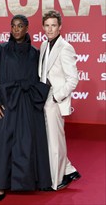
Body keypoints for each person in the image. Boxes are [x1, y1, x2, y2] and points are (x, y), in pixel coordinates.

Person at [0, 14, 52, 201]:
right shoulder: (0, 50)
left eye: (20, 26)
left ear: (27, 28)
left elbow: (40, 78)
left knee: (25, 143)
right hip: (4, 103)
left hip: (26, 104)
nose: (16, 29)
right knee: (3, 144)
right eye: (13, 26)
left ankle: (25, 182)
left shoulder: (35, 53)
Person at [38, 10, 81, 191]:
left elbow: (73, 79)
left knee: (55, 141)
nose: (50, 29)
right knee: (51, 139)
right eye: (47, 25)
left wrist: (57, 97)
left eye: (53, 25)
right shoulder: (43, 45)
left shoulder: (66, 47)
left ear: (60, 27)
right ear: (43, 27)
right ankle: (68, 169)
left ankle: (56, 181)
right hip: (43, 98)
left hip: (55, 99)